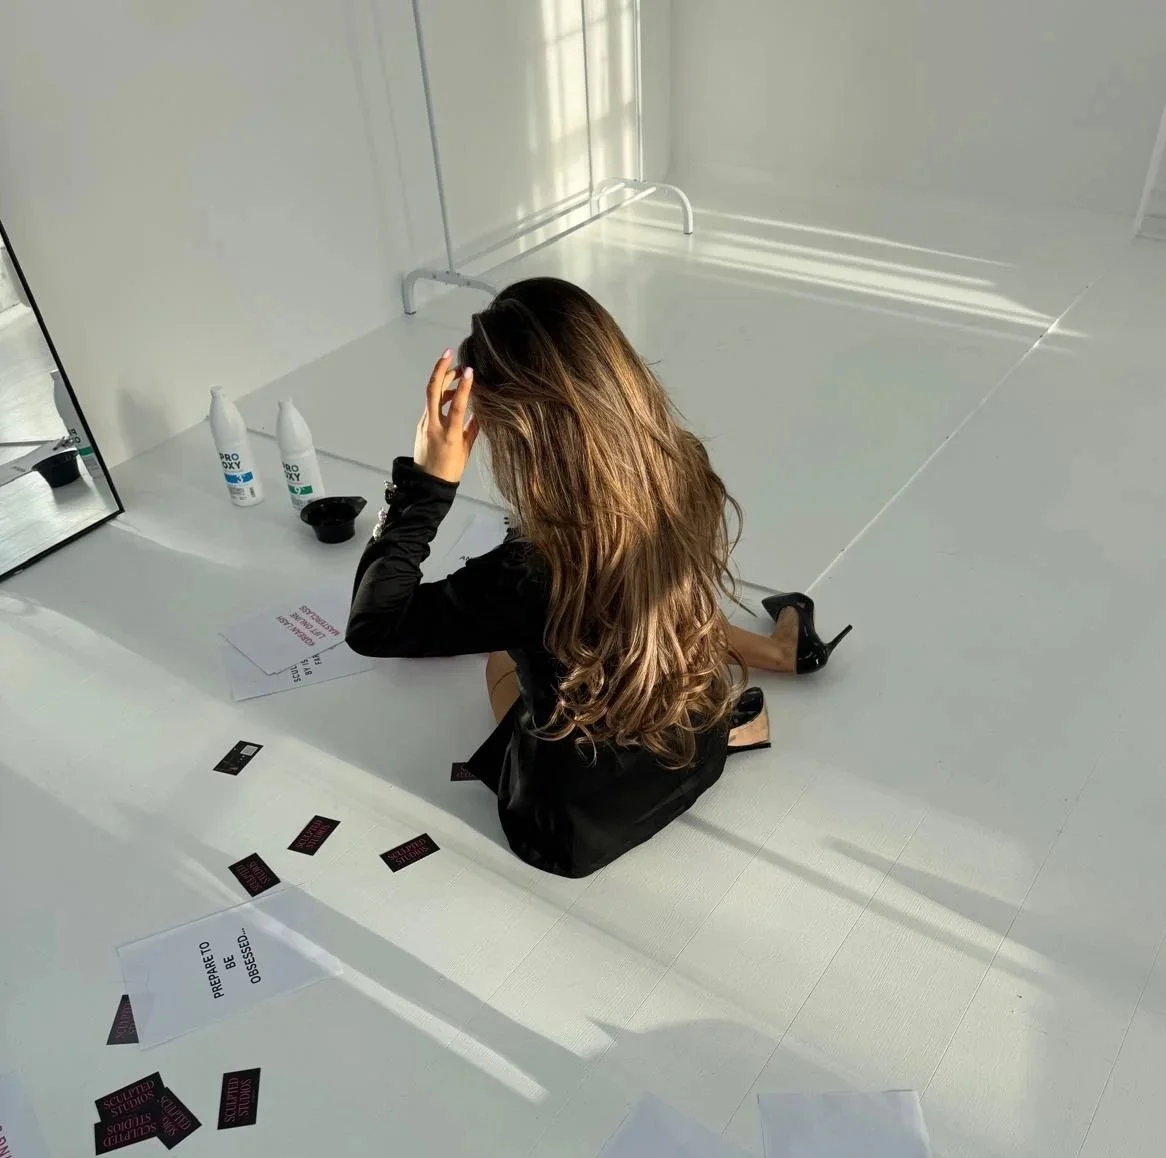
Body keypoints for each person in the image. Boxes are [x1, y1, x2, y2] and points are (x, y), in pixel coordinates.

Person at [346, 278, 849, 877]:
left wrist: (426, 484)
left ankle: (757, 670)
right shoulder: (681, 467)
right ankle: (776, 659)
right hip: (696, 751)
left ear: (517, 435)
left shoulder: (527, 573)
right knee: (647, 601)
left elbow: (373, 626)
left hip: (572, 830)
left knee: (499, 660)